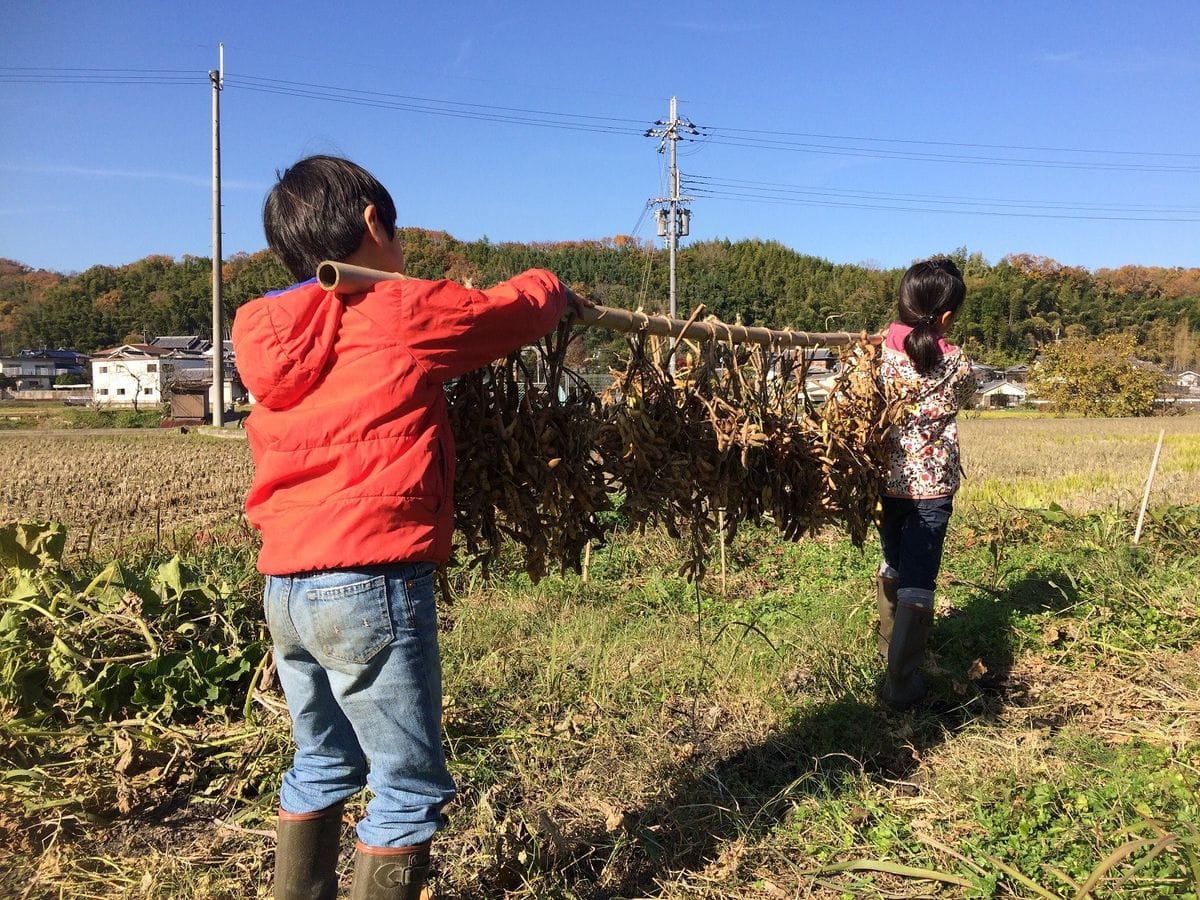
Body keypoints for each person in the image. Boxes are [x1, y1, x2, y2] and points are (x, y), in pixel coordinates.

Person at [232, 155, 588, 899]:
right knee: (405, 787)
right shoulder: (392, 309)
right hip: (367, 583)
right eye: (395, 236)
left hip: (287, 590)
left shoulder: (265, 332)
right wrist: (550, 286)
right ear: (371, 225)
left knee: (320, 762)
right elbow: (506, 315)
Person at [873, 258, 976, 710]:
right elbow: (966, 397)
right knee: (919, 579)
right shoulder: (957, 364)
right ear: (948, 315)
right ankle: (901, 683)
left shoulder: (873, 354)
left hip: (883, 482)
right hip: (931, 486)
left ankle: (887, 652)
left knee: (893, 563)